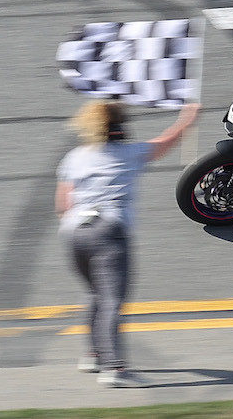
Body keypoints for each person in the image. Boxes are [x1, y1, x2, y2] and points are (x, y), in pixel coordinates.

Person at [55, 99, 199, 387]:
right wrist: (187, 120)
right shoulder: (129, 153)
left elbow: (62, 204)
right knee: (111, 299)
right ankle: (113, 367)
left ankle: (93, 354)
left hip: (73, 233)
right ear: (121, 128)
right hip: (109, 231)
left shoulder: (75, 157)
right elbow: (165, 142)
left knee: (95, 294)